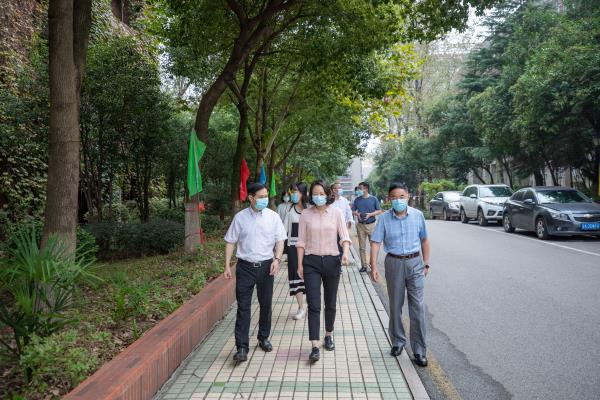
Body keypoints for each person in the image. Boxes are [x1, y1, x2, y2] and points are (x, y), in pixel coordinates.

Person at [224, 182, 287, 362]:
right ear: (251, 198)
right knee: (243, 307)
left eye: (266, 196)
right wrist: (227, 265)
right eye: (261, 197)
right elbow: (230, 241)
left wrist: (277, 259)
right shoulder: (240, 218)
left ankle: (263, 337)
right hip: (245, 267)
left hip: (266, 267)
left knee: (265, 304)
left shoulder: (273, 217)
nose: (264, 200)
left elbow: (280, 240)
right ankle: (242, 347)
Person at [369, 182, 430, 367]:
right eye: (394, 197)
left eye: (401, 197)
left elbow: (424, 239)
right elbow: (376, 242)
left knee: (417, 307)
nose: (398, 200)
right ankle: (397, 342)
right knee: (395, 305)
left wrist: (426, 262)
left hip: (415, 262)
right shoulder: (384, 219)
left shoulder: (418, 215)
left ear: (408, 196)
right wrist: (373, 266)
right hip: (393, 262)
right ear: (389, 199)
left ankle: (419, 350)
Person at [297, 180, 350, 362]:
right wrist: (300, 264)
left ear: (328, 194)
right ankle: (314, 345)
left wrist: (345, 254)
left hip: (332, 261)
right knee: (314, 304)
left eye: (321, 193)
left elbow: (344, 236)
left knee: (330, 302)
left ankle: (328, 334)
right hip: (311, 262)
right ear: (310, 196)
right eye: (315, 194)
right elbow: (301, 241)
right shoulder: (305, 214)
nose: (318, 197)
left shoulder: (336, 213)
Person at [283, 182, 309, 320]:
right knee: (295, 277)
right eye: (293, 191)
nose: (293, 194)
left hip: (309, 248)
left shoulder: (311, 210)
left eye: (296, 191)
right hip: (293, 249)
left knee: (310, 277)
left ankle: (311, 305)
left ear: (303, 194)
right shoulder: (290, 211)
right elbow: (283, 232)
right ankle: (301, 308)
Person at [352, 182, 384, 273]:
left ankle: (372, 264)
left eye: (360, 188)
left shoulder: (373, 199)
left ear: (366, 189)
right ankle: (364, 266)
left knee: (373, 246)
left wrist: (370, 214)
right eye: (358, 188)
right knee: (362, 247)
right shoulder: (357, 200)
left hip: (371, 225)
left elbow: (379, 211)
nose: (358, 190)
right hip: (360, 225)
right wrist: (357, 214)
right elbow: (353, 211)